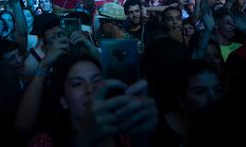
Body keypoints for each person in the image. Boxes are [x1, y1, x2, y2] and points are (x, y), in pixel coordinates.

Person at [28, 53, 158, 147]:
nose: (90, 90)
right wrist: (85, 141)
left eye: (97, 80)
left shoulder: (125, 136)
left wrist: (142, 140)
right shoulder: (44, 142)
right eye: (77, 84)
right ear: (63, 100)